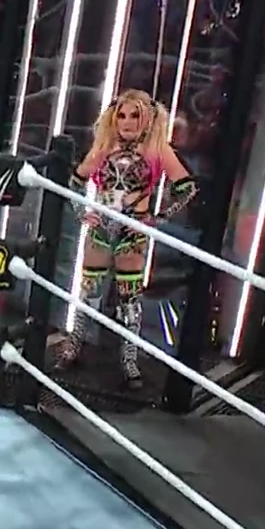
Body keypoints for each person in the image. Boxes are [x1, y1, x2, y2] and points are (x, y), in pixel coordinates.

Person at [67, 89, 197, 389]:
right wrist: (81, 212)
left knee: (130, 300)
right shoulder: (104, 146)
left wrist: (158, 217)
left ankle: (129, 360)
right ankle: (74, 345)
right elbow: (75, 181)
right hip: (101, 229)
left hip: (132, 233)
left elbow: (187, 188)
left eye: (135, 115)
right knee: (89, 292)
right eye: (122, 115)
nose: (127, 122)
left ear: (147, 118)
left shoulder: (157, 150)